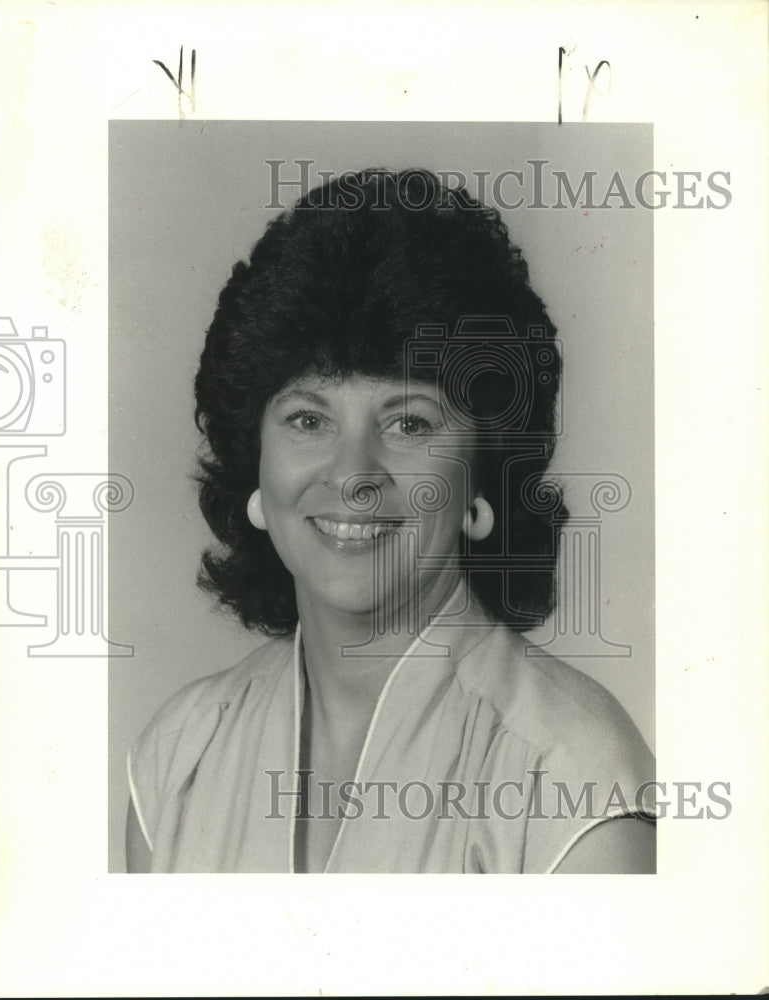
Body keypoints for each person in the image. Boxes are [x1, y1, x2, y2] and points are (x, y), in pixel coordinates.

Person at [126, 167, 656, 874]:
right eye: (307, 418)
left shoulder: (576, 786)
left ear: (481, 473)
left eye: (408, 422)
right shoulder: (175, 762)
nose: (352, 475)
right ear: (252, 462)